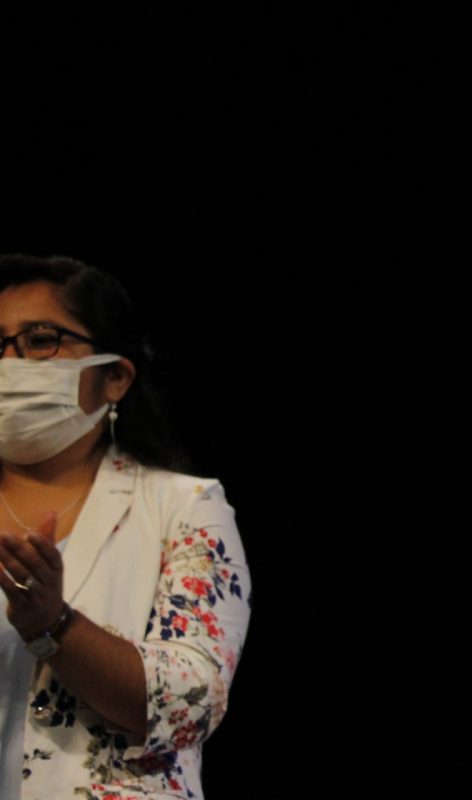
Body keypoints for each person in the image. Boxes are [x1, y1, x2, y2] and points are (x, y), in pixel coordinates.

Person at [0, 255, 252, 799]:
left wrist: (54, 626)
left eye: (40, 340)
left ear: (115, 377)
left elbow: (191, 705)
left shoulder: (184, 508)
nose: (10, 362)